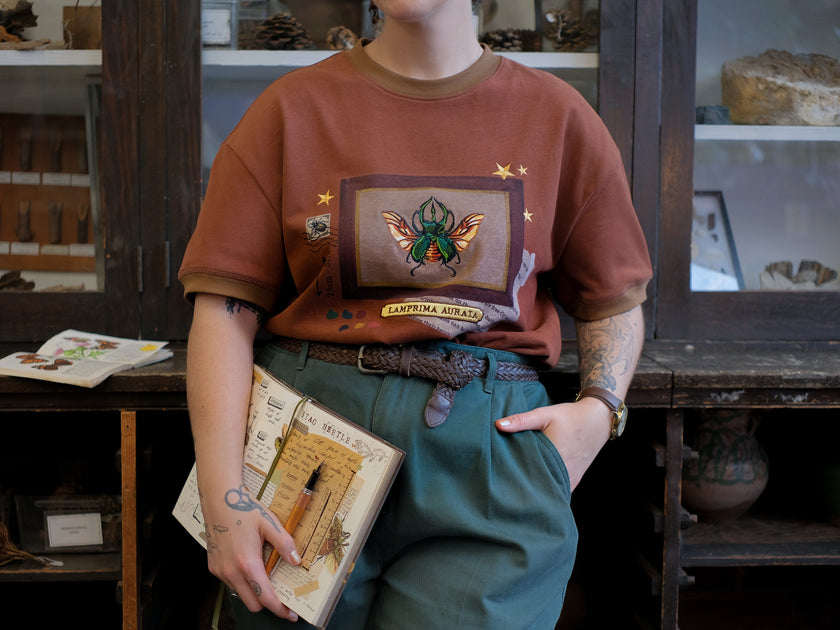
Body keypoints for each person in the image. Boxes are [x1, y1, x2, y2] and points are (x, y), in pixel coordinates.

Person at [179, 0, 652, 628]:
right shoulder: (289, 111)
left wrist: (600, 411)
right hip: (309, 453)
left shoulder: (559, 117)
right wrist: (224, 497)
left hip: (489, 458)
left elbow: (612, 301)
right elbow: (224, 309)